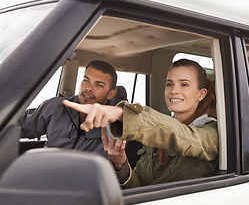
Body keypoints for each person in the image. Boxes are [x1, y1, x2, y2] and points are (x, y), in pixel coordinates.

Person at [63, 59, 218, 188]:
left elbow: (181, 136)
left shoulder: (212, 133)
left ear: (201, 94)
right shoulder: (155, 136)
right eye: (169, 84)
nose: (173, 90)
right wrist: (120, 164)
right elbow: (138, 187)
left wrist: (122, 114)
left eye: (184, 84)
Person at [20, 60, 118, 157]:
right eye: (86, 80)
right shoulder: (56, 106)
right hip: (44, 169)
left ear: (111, 94)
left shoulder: (114, 129)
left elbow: (99, 167)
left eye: (99, 85)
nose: (88, 88)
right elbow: (20, 127)